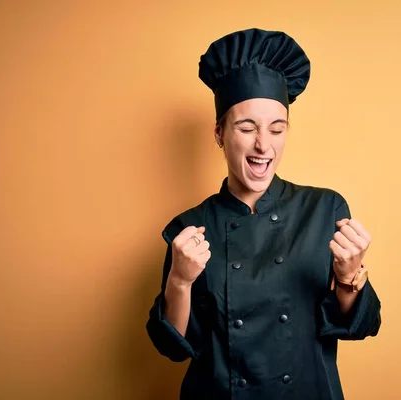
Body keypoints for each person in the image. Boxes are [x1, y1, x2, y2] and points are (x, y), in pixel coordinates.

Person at [146, 28, 382, 400]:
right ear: (220, 133)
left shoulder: (325, 210)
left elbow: (360, 326)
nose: (263, 145)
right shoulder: (190, 229)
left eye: (277, 128)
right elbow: (174, 349)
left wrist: (350, 276)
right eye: (246, 127)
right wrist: (179, 281)